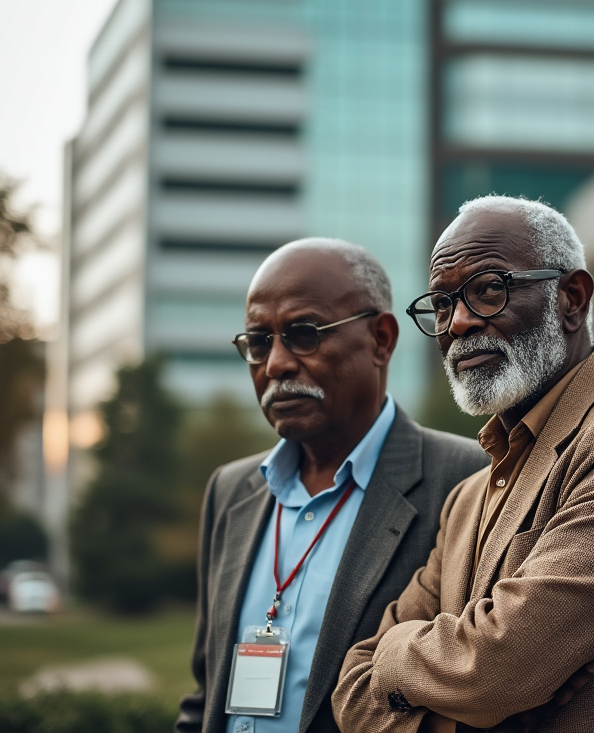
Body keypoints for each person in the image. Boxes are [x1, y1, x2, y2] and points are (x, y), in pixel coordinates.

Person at [332, 197, 594, 733]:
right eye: (442, 303)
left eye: (488, 290)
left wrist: (397, 652)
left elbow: (494, 670)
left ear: (571, 298)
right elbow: (351, 691)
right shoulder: (467, 496)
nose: (459, 323)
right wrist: (466, 720)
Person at [175, 239, 488, 733]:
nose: (275, 363)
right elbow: (205, 693)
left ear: (381, 339)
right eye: (258, 342)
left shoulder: (469, 478)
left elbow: (479, 686)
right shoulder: (230, 491)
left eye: (303, 334)